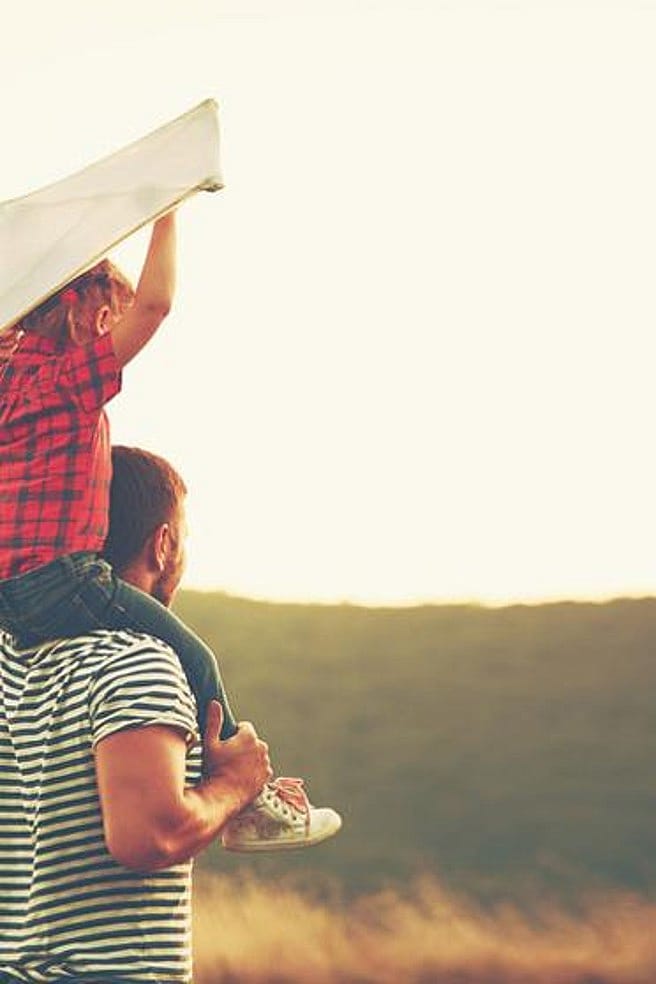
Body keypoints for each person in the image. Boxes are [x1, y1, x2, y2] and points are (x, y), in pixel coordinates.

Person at [0, 213, 341, 852]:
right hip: (62, 576)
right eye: (107, 318)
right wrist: (165, 209)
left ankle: (226, 782)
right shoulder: (66, 382)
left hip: (7, 596)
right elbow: (154, 306)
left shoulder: (5, 382)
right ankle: (245, 797)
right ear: (78, 314)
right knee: (197, 658)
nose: (112, 332)